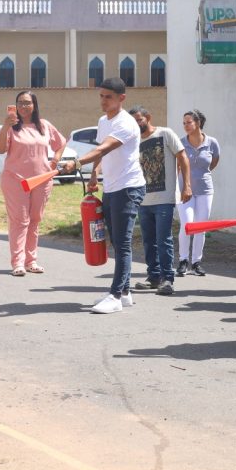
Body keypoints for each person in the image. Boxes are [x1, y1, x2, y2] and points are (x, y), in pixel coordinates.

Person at [59, 77, 145, 314]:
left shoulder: (126, 124)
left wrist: (76, 162)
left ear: (121, 99)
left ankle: (116, 295)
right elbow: (100, 152)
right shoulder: (102, 120)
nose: (103, 101)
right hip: (112, 187)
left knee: (123, 242)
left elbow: (104, 148)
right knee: (116, 241)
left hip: (129, 188)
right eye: (101, 96)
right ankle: (125, 292)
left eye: (109, 97)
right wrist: (95, 174)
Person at [0, 91, 67, 276]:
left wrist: (55, 160)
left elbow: (60, 143)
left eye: (27, 103)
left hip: (41, 180)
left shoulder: (44, 125)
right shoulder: (11, 126)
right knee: (20, 221)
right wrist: (5, 126)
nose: (23, 106)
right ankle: (17, 263)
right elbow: (0, 149)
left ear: (34, 105)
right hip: (15, 180)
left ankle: (31, 261)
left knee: (34, 220)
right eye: (20, 103)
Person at [129, 105, 191, 296]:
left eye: (138, 119)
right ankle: (154, 277)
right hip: (142, 198)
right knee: (148, 241)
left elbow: (182, 157)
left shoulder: (165, 133)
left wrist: (186, 185)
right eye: (132, 121)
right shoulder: (134, 141)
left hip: (164, 198)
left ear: (148, 117)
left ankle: (167, 279)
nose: (136, 124)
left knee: (163, 239)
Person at [176, 110, 220, 277]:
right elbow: (177, 167)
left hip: (205, 190)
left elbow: (214, 161)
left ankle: (196, 262)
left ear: (198, 123)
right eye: (184, 123)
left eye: (189, 122)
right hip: (184, 191)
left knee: (201, 226)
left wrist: (201, 175)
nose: (186, 126)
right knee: (187, 225)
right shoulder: (180, 143)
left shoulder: (212, 143)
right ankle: (183, 260)